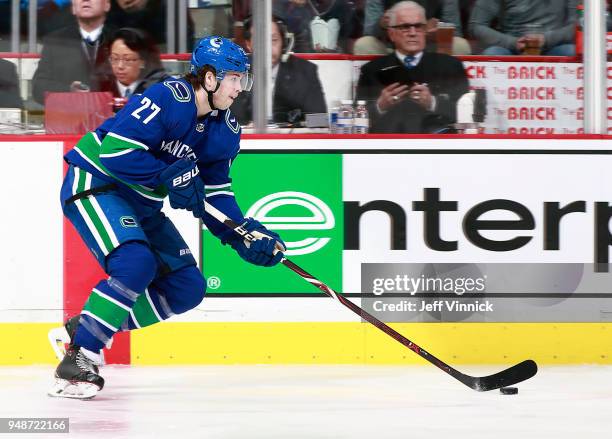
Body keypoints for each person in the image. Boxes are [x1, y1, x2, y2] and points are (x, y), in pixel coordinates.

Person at [48, 36, 286, 400]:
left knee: (187, 287)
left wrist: (244, 234)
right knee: (136, 263)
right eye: (234, 78)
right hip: (98, 185)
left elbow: (217, 195)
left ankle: (85, 330)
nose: (240, 87)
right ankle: (79, 356)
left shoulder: (226, 131)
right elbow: (115, 151)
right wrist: (168, 174)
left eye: (242, 79)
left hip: (142, 205)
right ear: (208, 78)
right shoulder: (168, 98)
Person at [355, 1, 469, 133]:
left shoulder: (451, 66)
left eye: (419, 26)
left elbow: (466, 116)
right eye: (405, 27)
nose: (413, 33)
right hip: (388, 148)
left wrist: (432, 103)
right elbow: (356, 121)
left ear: (425, 31)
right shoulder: (371, 70)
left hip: (436, 147)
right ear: (391, 34)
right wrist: (380, 106)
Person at [231, 15, 327, 126]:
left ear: (283, 43)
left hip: (293, 142)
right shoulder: (234, 72)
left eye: (274, 40)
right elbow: (226, 120)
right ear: (249, 44)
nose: (268, 47)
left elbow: (320, 121)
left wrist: (295, 126)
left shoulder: (305, 71)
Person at [32, 0, 115, 105]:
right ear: (73, 8)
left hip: (113, 117)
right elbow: (38, 88)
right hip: (69, 116)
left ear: (107, 5)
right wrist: (68, 91)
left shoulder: (119, 39)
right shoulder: (55, 41)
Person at [353, 0, 471, 55]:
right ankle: (375, 91)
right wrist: (382, 25)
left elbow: (456, 32)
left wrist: (438, 31)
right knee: (364, 44)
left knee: (460, 45)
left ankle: (447, 91)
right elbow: (369, 31)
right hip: (391, 49)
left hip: (431, 48)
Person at [468, 0, 578, 56]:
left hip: (555, 47)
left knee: (572, 51)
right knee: (492, 54)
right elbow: (476, 26)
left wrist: (548, 39)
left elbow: (578, 25)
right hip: (511, 49)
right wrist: (512, 43)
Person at [101, 27, 169, 101]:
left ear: (143, 61)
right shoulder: (101, 86)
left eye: (128, 59)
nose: (120, 66)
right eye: (115, 58)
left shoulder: (158, 88)